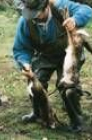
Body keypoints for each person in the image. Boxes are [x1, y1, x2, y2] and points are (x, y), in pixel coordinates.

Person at [12, 0, 92, 132]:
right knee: (35, 83)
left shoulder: (60, 6)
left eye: (37, 14)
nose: (34, 17)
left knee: (68, 86)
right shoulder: (25, 21)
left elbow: (87, 10)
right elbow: (20, 49)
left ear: (46, 7)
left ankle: (77, 121)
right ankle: (37, 113)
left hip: (68, 54)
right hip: (45, 54)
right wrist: (24, 64)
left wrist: (75, 20)